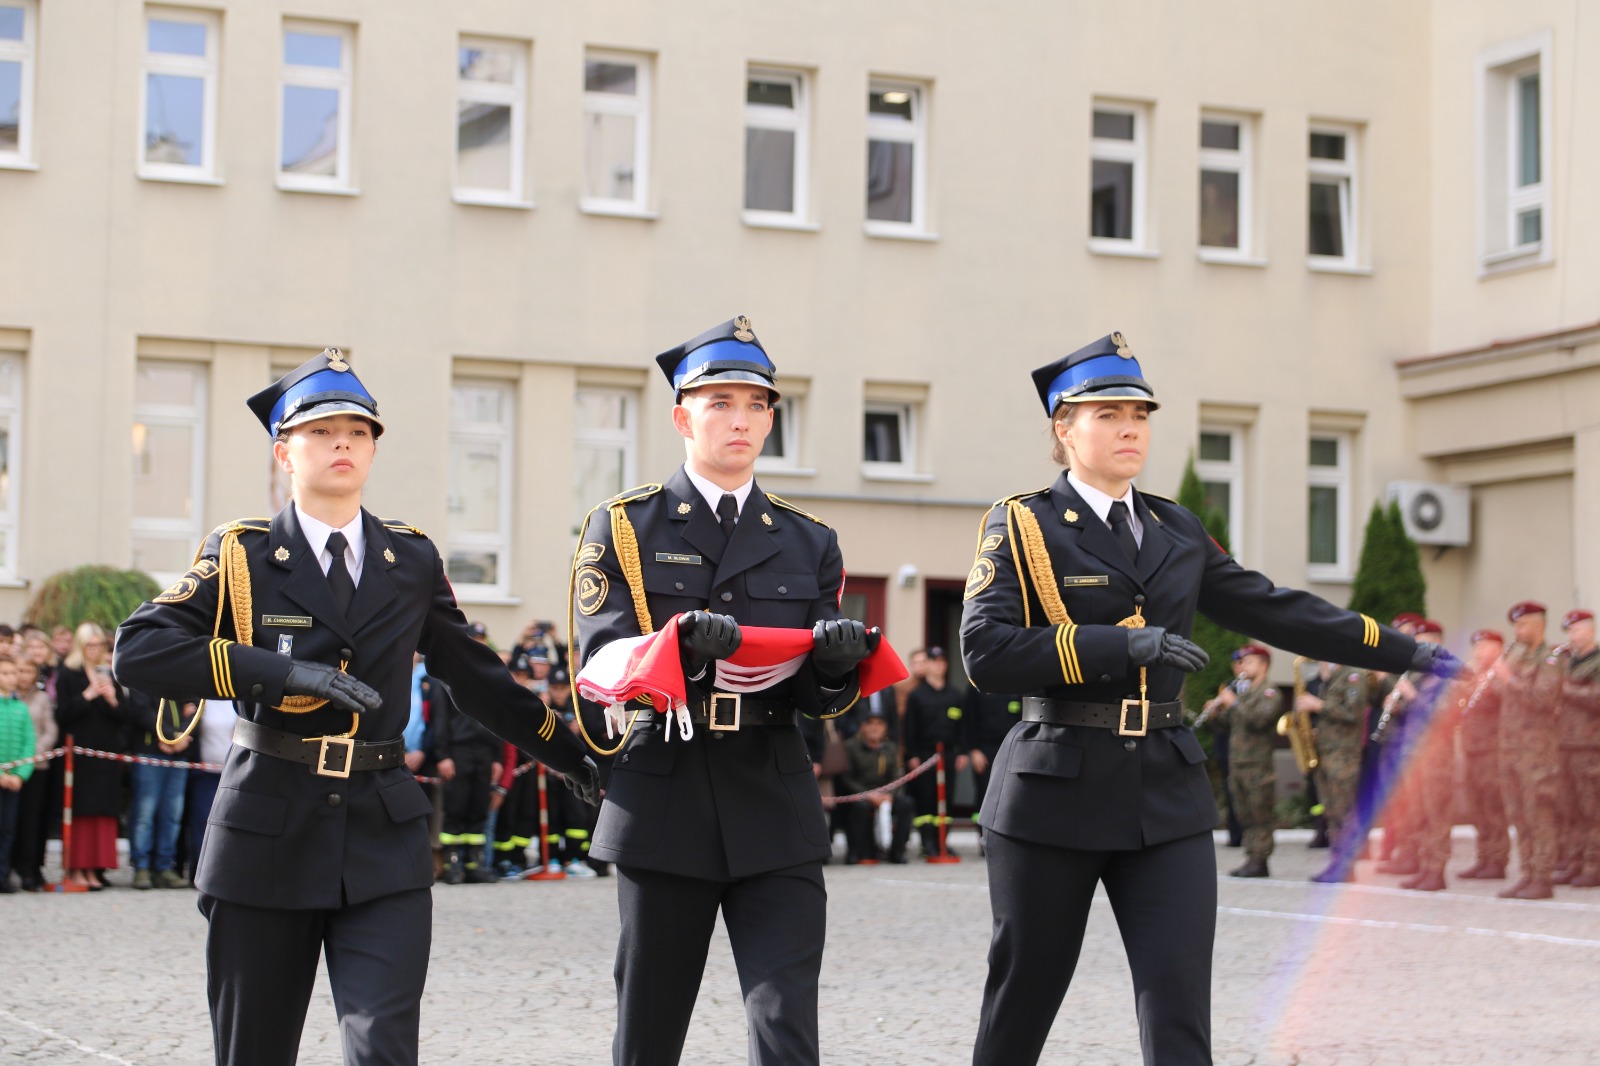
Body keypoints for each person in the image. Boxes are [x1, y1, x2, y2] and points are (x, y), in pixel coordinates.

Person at [959, 332, 1447, 1066]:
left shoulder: (1176, 527)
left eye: (1140, 415)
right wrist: (1120, 645)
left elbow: (1272, 608)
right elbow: (985, 652)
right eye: (1108, 414)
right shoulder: (1024, 523)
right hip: (1054, 786)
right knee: (1025, 995)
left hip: (1164, 788)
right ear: (1064, 427)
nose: (1130, 429)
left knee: (1178, 1001)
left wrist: (1408, 652)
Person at [114, 348, 599, 1066]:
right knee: (254, 1051)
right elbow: (139, 651)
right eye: (321, 431)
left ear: (373, 450)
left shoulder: (411, 560)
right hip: (267, 827)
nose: (342, 443)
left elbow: (477, 678)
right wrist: (286, 674)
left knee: (384, 1048)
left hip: (382, 829)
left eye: (357, 431)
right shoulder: (243, 555)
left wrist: (573, 754)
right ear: (284, 452)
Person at [570, 315, 879, 1066]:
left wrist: (835, 668)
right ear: (683, 418)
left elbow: (820, 699)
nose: (741, 420)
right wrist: (673, 652)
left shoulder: (809, 539)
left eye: (756, 405)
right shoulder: (625, 526)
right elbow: (599, 666)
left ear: (771, 420)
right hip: (665, 790)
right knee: (651, 1026)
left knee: (785, 1020)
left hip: (772, 796)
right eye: (720, 404)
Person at [1492, 600, 1562, 899]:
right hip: (1511, 749)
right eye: (1516, 625)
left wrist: (1509, 678)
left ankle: (1543, 877)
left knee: (1538, 814)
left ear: (1538, 625)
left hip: (1536, 753)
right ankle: (1528, 872)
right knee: (1518, 814)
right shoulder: (1518, 657)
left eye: (1522, 625)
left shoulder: (1550, 659)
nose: (1517, 631)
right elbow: (1500, 694)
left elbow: (1543, 699)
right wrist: (1502, 675)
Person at [54, 621, 128, 891]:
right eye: (90, 645)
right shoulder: (68, 674)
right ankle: (77, 869)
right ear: (80, 646)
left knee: (103, 809)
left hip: (105, 755)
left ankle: (96, 868)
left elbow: (123, 717)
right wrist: (87, 695)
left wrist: (111, 699)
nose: (95, 650)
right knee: (81, 810)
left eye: (99, 645)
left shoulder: (109, 674)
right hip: (79, 755)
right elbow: (62, 714)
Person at [1299, 659, 1376, 883]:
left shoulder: (1354, 676)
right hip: (1327, 753)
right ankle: (1338, 863)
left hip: (1344, 755)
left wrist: (1319, 705)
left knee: (1344, 812)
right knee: (1332, 812)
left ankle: (1347, 866)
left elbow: (1353, 713)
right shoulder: (1331, 677)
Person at [1210, 644, 1279, 878]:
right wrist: (1215, 712)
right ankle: (1251, 856)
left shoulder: (1269, 692)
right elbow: (1227, 724)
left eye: (1249, 662)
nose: (1243, 666)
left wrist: (1234, 704)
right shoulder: (1245, 693)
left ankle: (1260, 858)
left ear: (1263, 665)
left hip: (1257, 764)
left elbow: (1259, 720)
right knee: (1244, 813)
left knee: (1260, 813)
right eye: (1242, 662)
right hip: (1238, 762)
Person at [901, 646, 970, 858]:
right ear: (928, 665)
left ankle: (942, 842)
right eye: (934, 662)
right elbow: (909, 728)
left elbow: (961, 727)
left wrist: (962, 752)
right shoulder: (917, 695)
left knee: (946, 799)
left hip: (947, 755)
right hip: (924, 754)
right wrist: (911, 755)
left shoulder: (954, 694)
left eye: (942, 662)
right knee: (926, 798)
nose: (939, 666)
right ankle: (927, 842)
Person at [126, 692, 196, 889]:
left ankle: (164, 866)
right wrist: (169, 736)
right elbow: (142, 711)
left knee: (172, 814)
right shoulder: (143, 678)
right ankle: (141, 866)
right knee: (144, 813)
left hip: (180, 753)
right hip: (150, 751)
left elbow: (196, 709)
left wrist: (181, 736)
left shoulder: (183, 681)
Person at [1553, 609, 1598, 886]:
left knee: (1593, 810)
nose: (1572, 635)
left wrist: (1564, 689)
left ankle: (1594, 866)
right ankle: (1575, 861)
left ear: (1591, 631)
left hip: (1590, 746)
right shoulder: (1567, 662)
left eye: (1577, 630)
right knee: (1570, 810)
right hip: (1565, 744)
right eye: (1570, 631)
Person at [838, 705, 912, 864]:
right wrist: (867, 795)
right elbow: (846, 778)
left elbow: (897, 776)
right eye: (870, 723)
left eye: (879, 724)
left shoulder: (891, 748)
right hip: (859, 794)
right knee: (860, 807)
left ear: (885, 728)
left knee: (906, 804)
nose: (875, 728)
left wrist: (889, 795)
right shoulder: (850, 746)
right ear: (862, 727)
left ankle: (897, 851)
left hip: (885, 794)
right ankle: (858, 852)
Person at [0, 656, 36, 893]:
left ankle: (2, 875)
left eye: (13, 673)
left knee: (8, 830)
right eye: (5, 673)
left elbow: (28, 744)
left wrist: (20, 775)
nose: (11, 678)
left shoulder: (21, 708)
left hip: (13, 780)